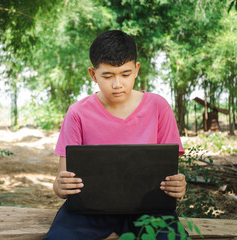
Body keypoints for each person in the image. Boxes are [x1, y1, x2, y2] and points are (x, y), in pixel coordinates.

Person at [43, 30, 188, 240]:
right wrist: (61, 186)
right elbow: (60, 184)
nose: (117, 84)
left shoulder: (159, 107)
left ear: (137, 70)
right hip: (88, 210)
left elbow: (169, 173)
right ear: (93, 74)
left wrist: (178, 185)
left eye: (125, 74)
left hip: (150, 210)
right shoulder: (77, 113)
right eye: (108, 76)